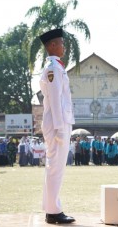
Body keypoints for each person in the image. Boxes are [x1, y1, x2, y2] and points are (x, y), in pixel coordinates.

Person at [39, 28, 75, 224]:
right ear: (52, 45)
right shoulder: (53, 68)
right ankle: (53, 212)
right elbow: (54, 99)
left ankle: (51, 208)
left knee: (54, 166)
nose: (64, 46)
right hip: (56, 124)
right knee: (56, 167)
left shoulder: (57, 67)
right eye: (61, 43)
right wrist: (61, 128)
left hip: (58, 122)